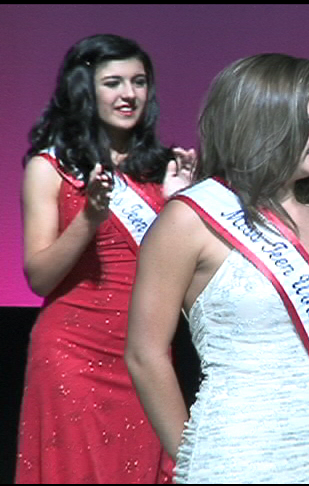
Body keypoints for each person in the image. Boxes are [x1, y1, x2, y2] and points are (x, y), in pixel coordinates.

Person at [124, 53, 309, 484]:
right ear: (268, 121)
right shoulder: (189, 221)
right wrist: (192, 461)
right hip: (236, 457)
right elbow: (144, 354)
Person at [16, 33, 195, 484]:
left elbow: (181, 283)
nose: (129, 94)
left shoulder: (163, 169)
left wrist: (181, 206)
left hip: (147, 352)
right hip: (72, 355)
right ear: (84, 89)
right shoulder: (49, 167)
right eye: (113, 82)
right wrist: (89, 219)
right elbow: (39, 277)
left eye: (139, 82)